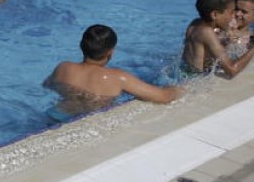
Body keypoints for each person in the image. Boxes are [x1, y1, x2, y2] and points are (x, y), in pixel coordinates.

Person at [46, 24, 182, 117]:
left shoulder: (63, 67)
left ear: (81, 46)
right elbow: (163, 97)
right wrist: (176, 89)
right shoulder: (118, 77)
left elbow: (49, 86)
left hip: (57, 115)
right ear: (111, 52)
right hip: (87, 120)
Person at [181, 0, 254, 77]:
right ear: (215, 15)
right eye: (233, 11)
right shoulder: (208, 32)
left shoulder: (196, 23)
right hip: (195, 80)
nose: (235, 15)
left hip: (185, 73)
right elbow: (232, 70)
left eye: (243, 12)